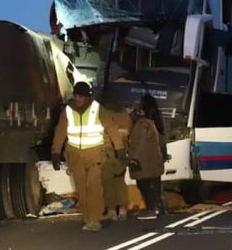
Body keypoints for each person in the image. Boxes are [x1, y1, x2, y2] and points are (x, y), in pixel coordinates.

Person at [51, 82, 124, 231]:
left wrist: (120, 148)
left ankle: (95, 220)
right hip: (75, 155)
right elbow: (60, 132)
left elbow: (112, 129)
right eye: (76, 95)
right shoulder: (67, 111)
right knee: (82, 190)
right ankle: (88, 219)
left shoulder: (97, 109)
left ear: (87, 97)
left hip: (95, 155)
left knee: (94, 188)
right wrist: (55, 152)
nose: (78, 99)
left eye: (81, 96)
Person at [127, 94, 167, 219]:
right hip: (154, 161)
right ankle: (158, 208)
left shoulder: (142, 124)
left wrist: (132, 158)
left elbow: (138, 144)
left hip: (143, 162)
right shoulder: (155, 121)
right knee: (155, 186)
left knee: (144, 185)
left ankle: (151, 209)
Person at [101, 102, 132, 221]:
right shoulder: (126, 117)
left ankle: (112, 211)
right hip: (122, 153)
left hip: (107, 153)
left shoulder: (104, 115)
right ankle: (123, 210)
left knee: (108, 183)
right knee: (120, 181)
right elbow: (128, 135)